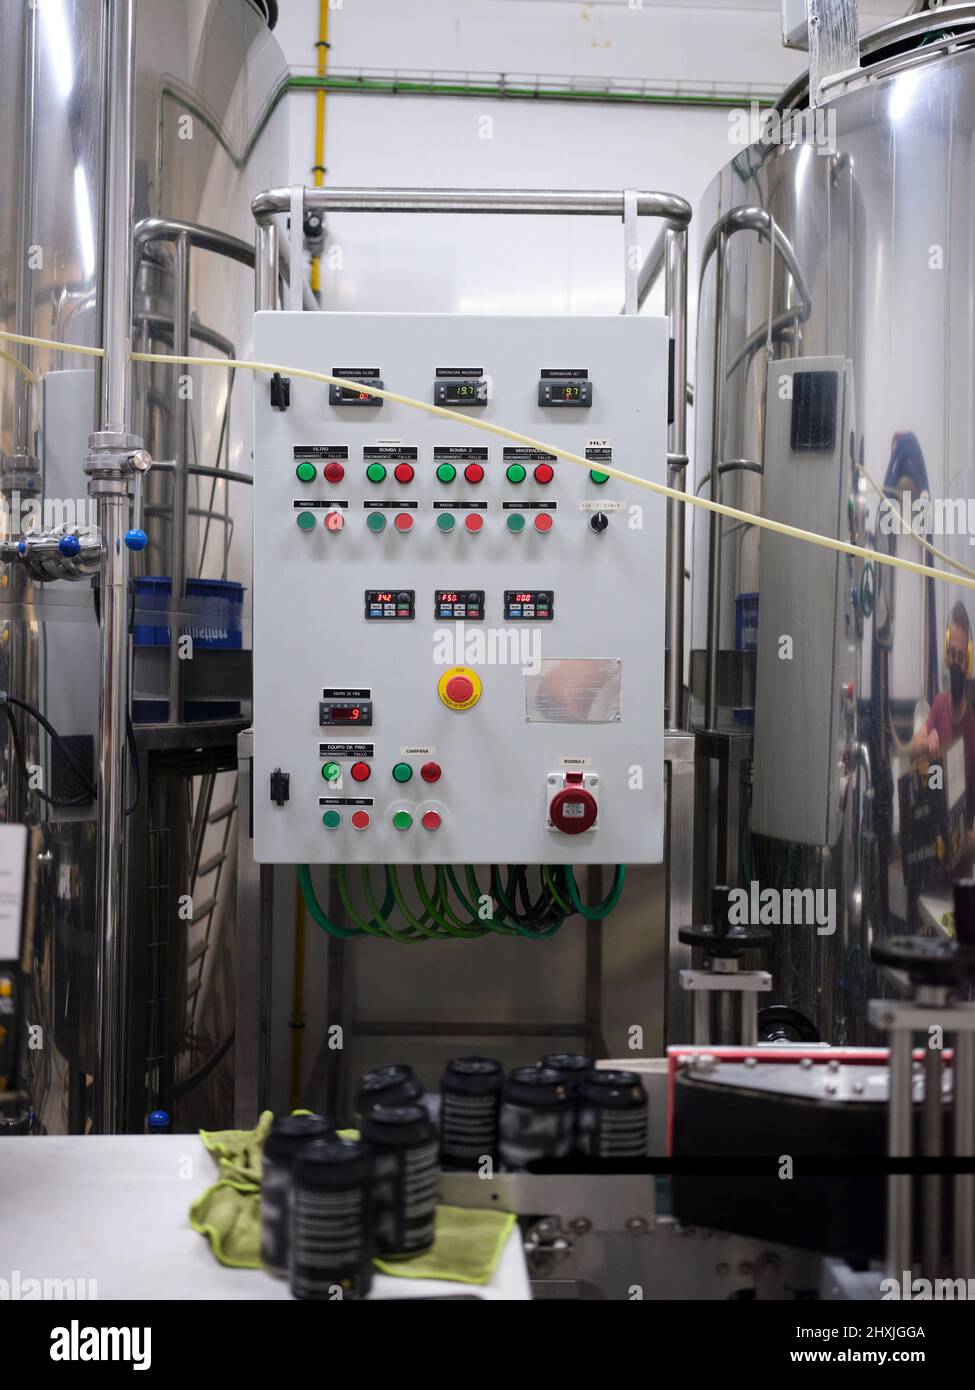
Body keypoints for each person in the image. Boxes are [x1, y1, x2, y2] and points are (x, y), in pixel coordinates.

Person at [910, 601, 975, 841]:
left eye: (961, 656)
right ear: (947, 655)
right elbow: (912, 749)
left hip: (965, 847)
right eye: (953, 654)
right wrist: (926, 741)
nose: (956, 662)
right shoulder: (938, 704)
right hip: (938, 840)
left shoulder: (972, 719)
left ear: (968, 659)